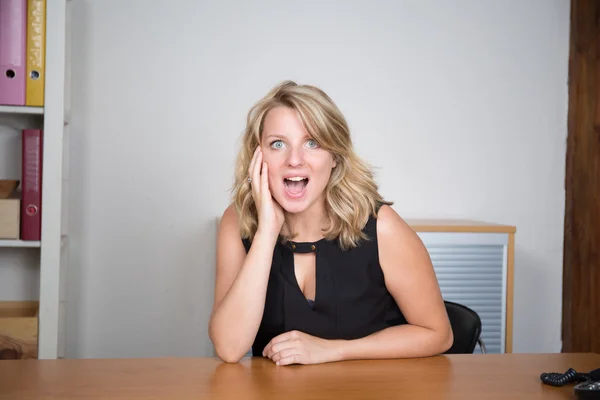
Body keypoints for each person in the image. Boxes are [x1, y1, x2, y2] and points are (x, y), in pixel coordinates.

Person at [208, 80, 453, 365]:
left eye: (312, 143)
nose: (295, 160)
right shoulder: (237, 221)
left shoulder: (381, 225)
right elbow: (228, 348)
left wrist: (333, 350)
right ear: (258, 157)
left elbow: (438, 334)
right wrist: (266, 232)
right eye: (278, 144)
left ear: (335, 156)